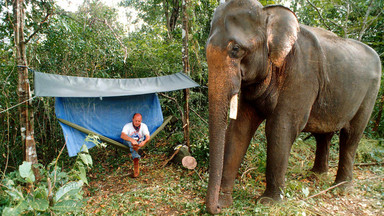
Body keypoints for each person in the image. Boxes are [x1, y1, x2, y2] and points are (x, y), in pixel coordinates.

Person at [121, 113, 150, 178]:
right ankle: (136, 162)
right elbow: (122, 135)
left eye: (139, 121)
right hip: (128, 142)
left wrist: (144, 142)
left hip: (138, 142)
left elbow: (148, 137)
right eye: (135, 121)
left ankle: (136, 151)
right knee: (131, 142)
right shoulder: (127, 126)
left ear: (141, 120)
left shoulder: (144, 126)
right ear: (132, 120)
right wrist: (132, 140)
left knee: (134, 146)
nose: (137, 122)